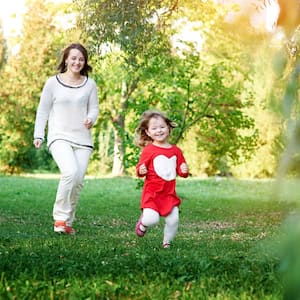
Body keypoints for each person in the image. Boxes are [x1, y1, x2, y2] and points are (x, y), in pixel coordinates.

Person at [33, 43, 99, 234]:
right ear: (66, 59)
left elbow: (94, 108)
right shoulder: (52, 83)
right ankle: (60, 218)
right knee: (70, 172)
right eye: (73, 58)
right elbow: (43, 110)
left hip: (83, 140)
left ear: (84, 62)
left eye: (81, 59)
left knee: (77, 180)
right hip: (59, 136)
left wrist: (91, 118)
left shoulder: (90, 84)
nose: (77, 62)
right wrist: (39, 134)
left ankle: (68, 222)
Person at [135, 109, 189, 248]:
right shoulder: (149, 150)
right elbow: (140, 169)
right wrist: (141, 170)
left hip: (169, 194)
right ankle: (143, 223)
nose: (159, 131)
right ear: (148, 132)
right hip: (152, 194)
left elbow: (181, 170)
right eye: (154, 128)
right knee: (152, 219)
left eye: (162, 127)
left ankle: (167, 242)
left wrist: (184, 170)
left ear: (169, 128)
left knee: (174, 219)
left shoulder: (176, 151)